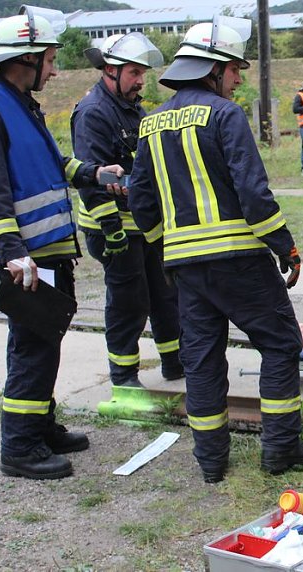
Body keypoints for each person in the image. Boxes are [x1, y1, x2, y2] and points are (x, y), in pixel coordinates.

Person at [127, 16, 303, 482]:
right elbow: (253, 193)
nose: (237, 79)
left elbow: (141, 203)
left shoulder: (150, 124)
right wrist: (285, 247)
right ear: (213, 69)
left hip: (186, 269)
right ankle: (280, 449)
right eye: (234, 70)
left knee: (203, 359)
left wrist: (166, 249)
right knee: (280, 343)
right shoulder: (225, 115)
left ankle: (211, 462)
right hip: (240, 261)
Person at [0, 6, 126, 480]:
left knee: (46, 339)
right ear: (28, 58)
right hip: (27, 256)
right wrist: (13, 252)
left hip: (48, 251)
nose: (56, 69)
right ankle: (19, 447)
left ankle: (37, 424)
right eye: (52, 59)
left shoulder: (19, 102)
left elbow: (51, 162)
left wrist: (94, 173)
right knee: (33, 345)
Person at [71, 32, 183, 388]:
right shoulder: (93, 112)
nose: (140, 81)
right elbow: (91, 176)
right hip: (113, 228)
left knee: (165, 293)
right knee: (129, 300)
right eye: (134, 73)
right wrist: (110, 227)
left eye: (142, 74)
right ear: (110, 70)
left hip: (144, 223)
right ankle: (123, 374)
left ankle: (174, 362)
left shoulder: (132, 107)